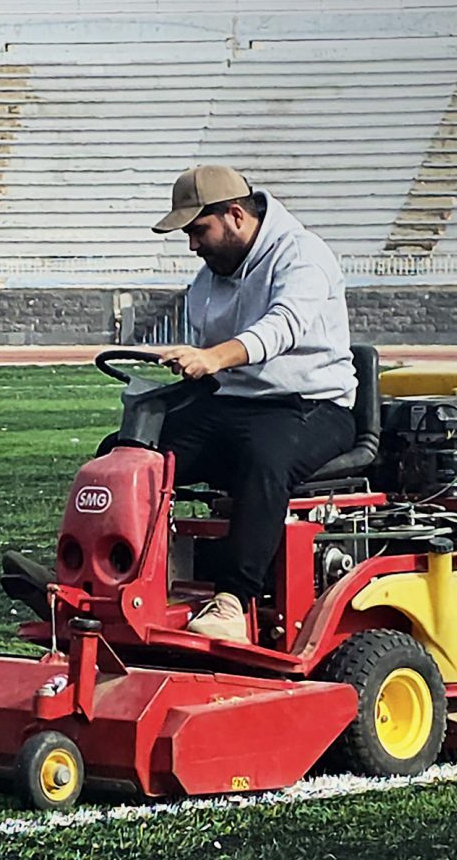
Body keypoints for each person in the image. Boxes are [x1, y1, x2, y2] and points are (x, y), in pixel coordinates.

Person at [148, 164, 356, 642]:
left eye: (198, 231)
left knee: (263, 459)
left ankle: (232, 602)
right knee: (130, 452)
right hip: (234, 403)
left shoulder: (302, 256)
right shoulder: (209, 278)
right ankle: (119, 576)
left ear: (235, 216)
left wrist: (213, 358)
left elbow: (283, 326)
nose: (192, 245)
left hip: (312, 405)